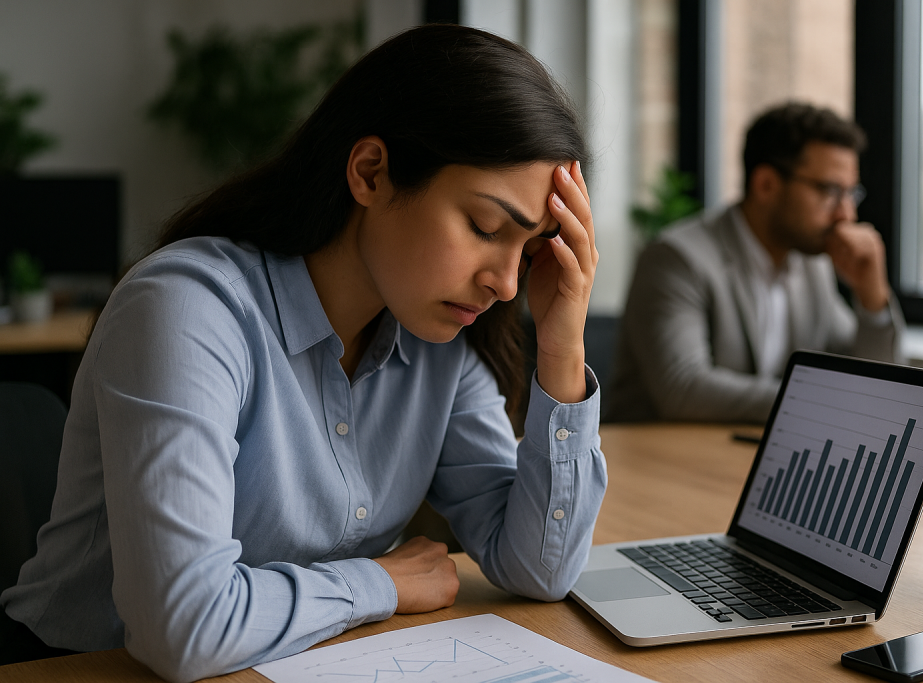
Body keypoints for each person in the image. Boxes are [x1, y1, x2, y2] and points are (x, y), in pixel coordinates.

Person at [0, 25, 606, 682]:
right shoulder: (187, 309)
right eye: (487, 228)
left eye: (532, 247)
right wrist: (379, 582)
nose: (508, 283)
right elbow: (185, 627)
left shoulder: (439, 343)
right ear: (370, 172)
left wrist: (561, 343)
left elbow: (539, 569)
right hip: (81, 668)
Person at [606, 102, 903, 424]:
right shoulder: (677, 259)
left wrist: (872, 297)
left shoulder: (810, 266)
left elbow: (877, 385)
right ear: (766, 185)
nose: (846, 214)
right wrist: (823, 402)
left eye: (851, 194)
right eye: (830, 191)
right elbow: (683, 388)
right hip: (654, 462)